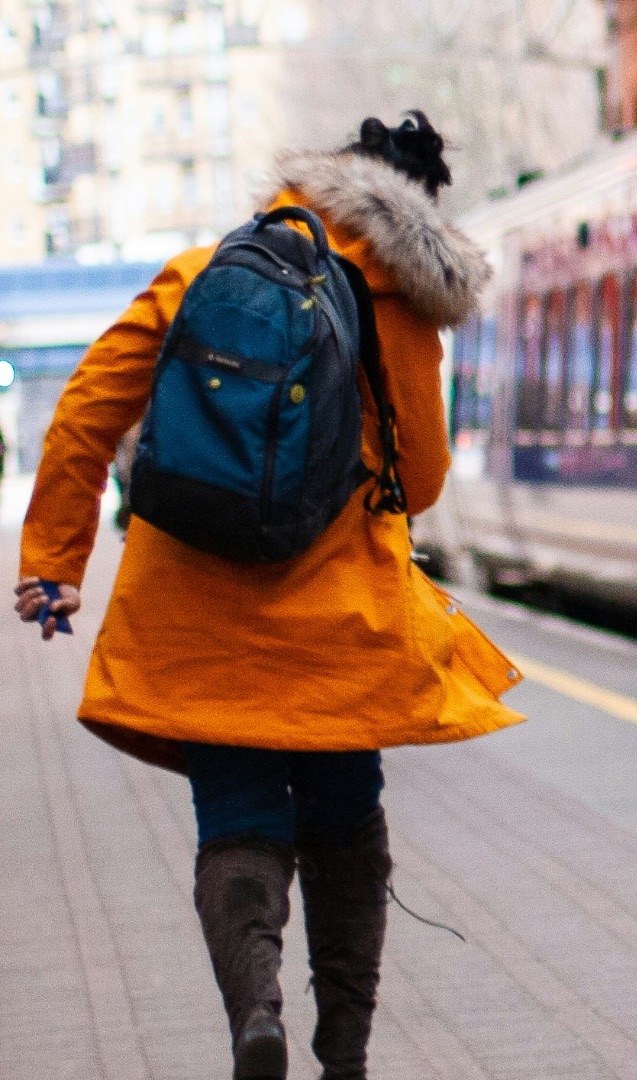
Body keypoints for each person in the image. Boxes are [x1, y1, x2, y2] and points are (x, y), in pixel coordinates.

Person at [13, 111, 522, 1080]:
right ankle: (345, 1054)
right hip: (340, 627)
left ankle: (256, 1011)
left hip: (197, 611)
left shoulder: (207, 270)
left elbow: (85, 408)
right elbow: (420, 479)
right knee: (344, 822)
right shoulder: (401, 307)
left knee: (237, 821)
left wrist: (55, 561)